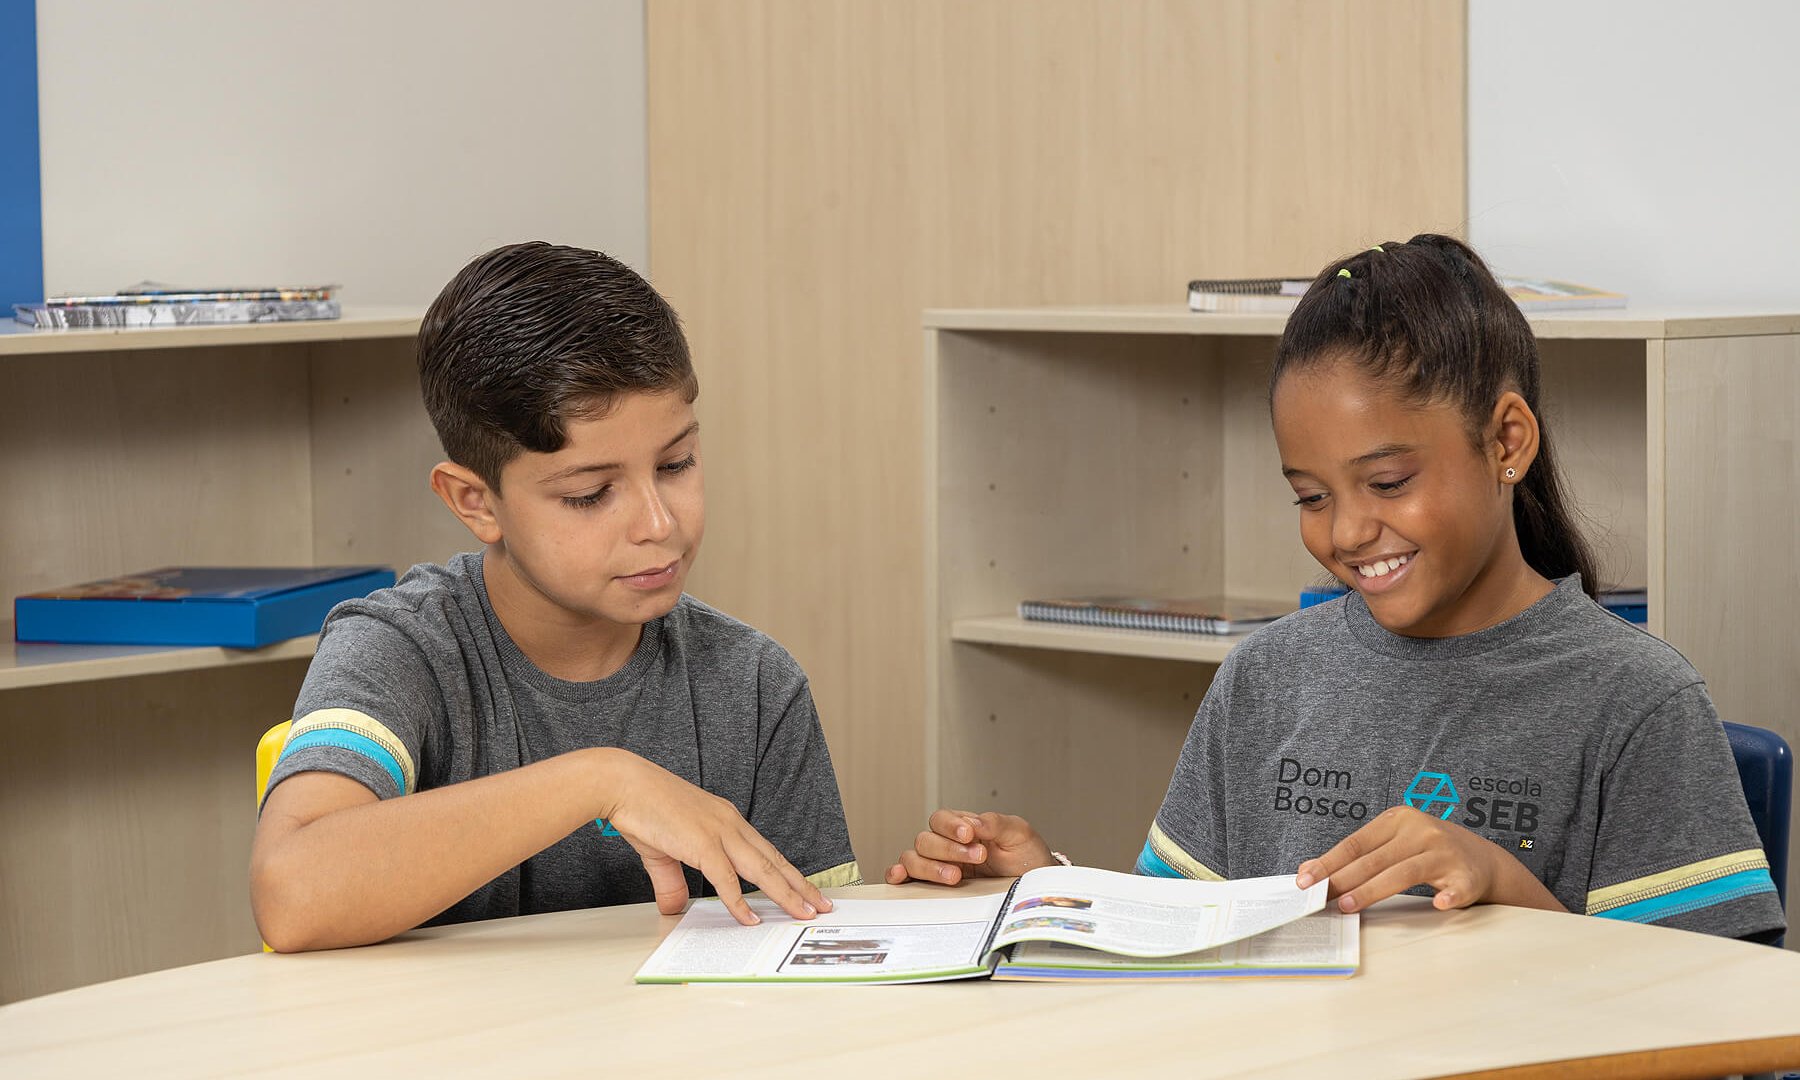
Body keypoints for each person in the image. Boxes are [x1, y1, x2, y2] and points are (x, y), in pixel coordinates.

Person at [890, 235, 1785, 942]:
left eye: (1388, 483)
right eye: (1310, 498)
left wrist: (1505, 887)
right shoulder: (1265, 678)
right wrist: (1049, 892)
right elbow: (1188, 938)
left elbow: (1714, 1024)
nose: (1347, 532)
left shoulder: (1636, 703)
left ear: (1508, 441)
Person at [252, 242, 858, 952]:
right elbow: (291, 892)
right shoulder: (398, 649)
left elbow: (818, 952)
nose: (658, 525)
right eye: (589, 494)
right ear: (476, 502)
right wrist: (600, 782)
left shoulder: (753, 683)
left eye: (676, 464)